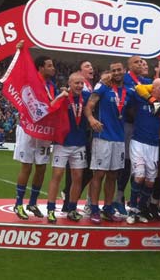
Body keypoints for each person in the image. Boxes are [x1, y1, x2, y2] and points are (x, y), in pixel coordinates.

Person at [13, 40, 57, 220]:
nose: (53, 68)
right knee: (27, 166)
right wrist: (19, 52)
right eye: (49, 65)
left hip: (44, 132)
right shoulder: (31, 80)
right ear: (40, 68)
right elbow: (19, 71)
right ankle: (18, 205)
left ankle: (32, 203)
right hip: (28, 130)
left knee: (41, 168)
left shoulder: (52, 86)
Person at [126, 78, 160, 224]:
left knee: (149, 182)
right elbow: (137, 87)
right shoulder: (142, 98)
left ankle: (141, 210)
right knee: (139, 177)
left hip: (154, 146)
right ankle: (132, 210)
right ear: (152, 89)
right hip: (138, 143)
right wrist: (151, 97)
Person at [86, 61, 129, 224]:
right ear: (109, 72)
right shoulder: (103, 87)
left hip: (119, 138)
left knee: (113, 175)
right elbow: (89, 106)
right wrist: (91, 119)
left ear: (124, 71)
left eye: (119, 70)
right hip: (102, 137)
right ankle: (94, 208)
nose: (117, 72)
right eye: (114, 70)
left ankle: (108, 208)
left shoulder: (127, 90)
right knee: (99, 174)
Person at [46, 73, 89, 223]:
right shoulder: (64, 97)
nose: (79, 86)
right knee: (57, 176)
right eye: (76, 83)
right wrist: (60, 96)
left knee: (77, 178)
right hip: (62, 143)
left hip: (79, 144)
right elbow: (50, 107)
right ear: (69, 83)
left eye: (81, 83)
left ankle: (72, 208)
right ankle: (51, 209)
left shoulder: (86, 97)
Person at [113, 56, 152, 215]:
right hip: (128, 125)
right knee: (127, 162)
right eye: (137, 62)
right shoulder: (127, 79)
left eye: (142, 62)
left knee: (140, 164)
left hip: (142, 126)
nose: (141, 64)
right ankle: (119, 197)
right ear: (128, 66)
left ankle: (136, 199)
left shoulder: (144, 80)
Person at [61, 60, 94, 213]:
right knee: (73, 172)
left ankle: (69, 198)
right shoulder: (71, 91)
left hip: (85, 135)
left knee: (85, 172)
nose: (91, 68)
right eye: (87, 66)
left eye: (91, 66)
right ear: (80, 72)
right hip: (69, 139)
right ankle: (67, 201)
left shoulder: (90, 90)